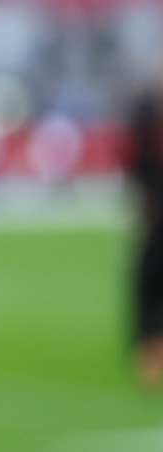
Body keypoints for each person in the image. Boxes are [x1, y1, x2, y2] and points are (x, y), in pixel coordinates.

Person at [127, 71, 163, 386]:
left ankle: (150, 358)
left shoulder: (147, 110)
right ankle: (150, 357)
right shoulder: (146, 112)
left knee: (148, 286)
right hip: (154, 213)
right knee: (149, 285)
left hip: (154, 215)